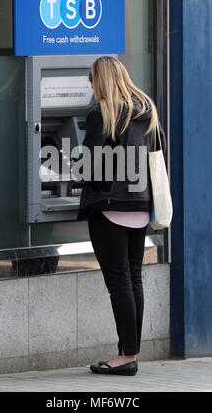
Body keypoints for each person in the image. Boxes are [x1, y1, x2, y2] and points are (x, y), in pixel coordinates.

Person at [71, 56, 166, 376]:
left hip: (110, 207)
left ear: (101, 79)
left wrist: (73, 168)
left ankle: (127, 357)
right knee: (133, 278)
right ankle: (130, 350)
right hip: (139, 207)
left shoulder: (101, 113)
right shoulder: (147, 110)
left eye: (92, 80)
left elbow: (90, 165)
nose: (91, 86)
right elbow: (156, 152)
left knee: (119, 282)